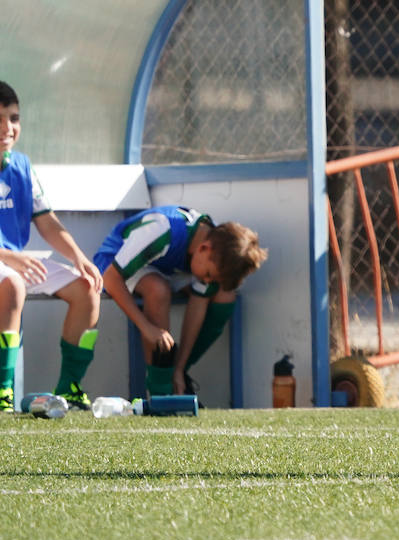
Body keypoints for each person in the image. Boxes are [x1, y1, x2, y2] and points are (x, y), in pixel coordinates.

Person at [0, 81, 106, 410]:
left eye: (14, 118)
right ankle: (3, 391)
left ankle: (69, 388)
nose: (8, 128)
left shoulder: (21, 166)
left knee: (88, 288)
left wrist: (79, 257)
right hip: (9, 264)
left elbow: (46, 221)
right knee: (13, 284)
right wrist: (10, 259)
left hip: (14, 260)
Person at [96, 205, 268, 395]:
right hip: (114, 263)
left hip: (164, 268)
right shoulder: (161, 230)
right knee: (158, 289)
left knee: (224, 295)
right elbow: (111, 278)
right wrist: (147, 328)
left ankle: (179, 374)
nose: (208, 280)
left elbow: (198, 305)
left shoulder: (218, 245)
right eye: (209, 274)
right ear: (203, 248)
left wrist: (179, 367)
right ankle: (160, 390)